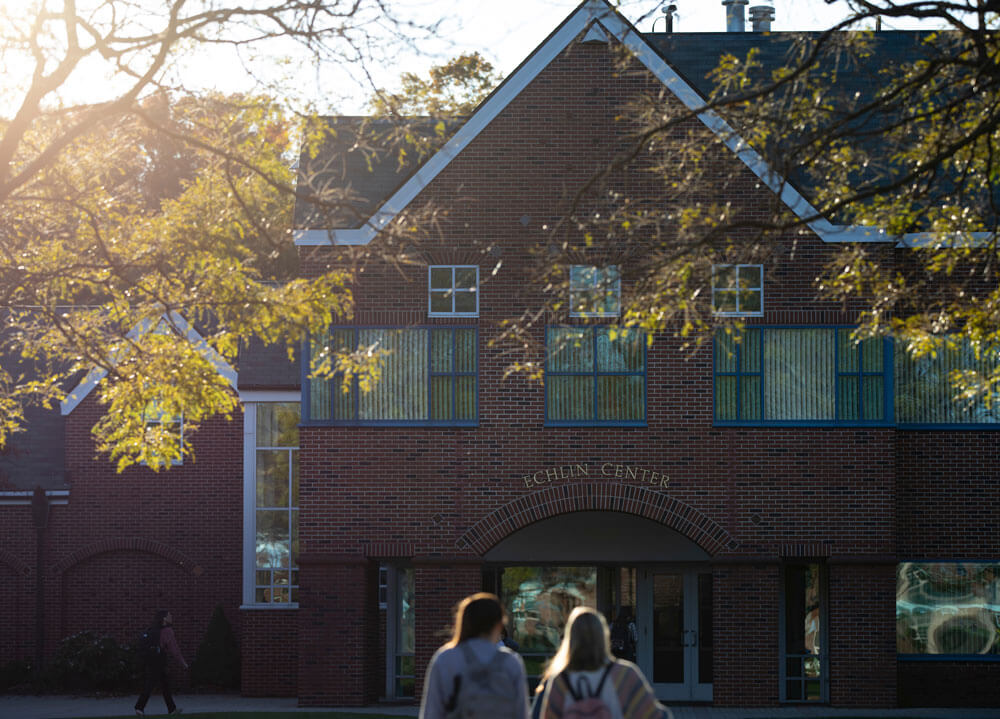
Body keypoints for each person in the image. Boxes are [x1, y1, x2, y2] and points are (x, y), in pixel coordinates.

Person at [540, 606, 663, 719]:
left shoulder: (559, 680)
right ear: (603, 636)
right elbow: (654, 715)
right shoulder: (625, 675)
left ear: (570, 639)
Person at [420, 593, 529, 719]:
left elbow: (432, 712)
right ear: (499, 625)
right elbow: (522, 713)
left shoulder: (445, 658)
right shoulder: (511, 661)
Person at [135, 609, 188, 716]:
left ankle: (172, 709)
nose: (171, 617)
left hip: (151, 660)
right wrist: (183, 663)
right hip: (159, 661)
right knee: (150, 685)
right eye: (169, 615)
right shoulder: (167, 631)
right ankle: (139, 707)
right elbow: (174, 650)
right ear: (164, 618)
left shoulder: (152, 629)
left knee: (164, 685)